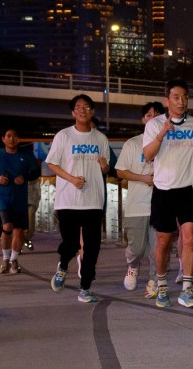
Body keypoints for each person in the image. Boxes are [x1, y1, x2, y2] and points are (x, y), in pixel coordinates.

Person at [143, 78, 193, 309]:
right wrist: (161, 134)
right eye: (176, 97)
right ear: (167, 100)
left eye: (185, 97)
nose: (181, 102)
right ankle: (162, 285)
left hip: (188, 189)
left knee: (190, 237)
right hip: (163, 190)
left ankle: (187, 289)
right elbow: (148, 155)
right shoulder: (154, 125)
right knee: (163, 240)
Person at [47, 94, 111, 303]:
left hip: (93, 200)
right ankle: (63, 265)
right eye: (78, 107)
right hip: (68, 200)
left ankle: (85, 287)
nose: (82, 110)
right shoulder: (63, 136)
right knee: (72, 243)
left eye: (86, 107)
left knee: (92, 247)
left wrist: (103, 166)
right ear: (73, 113)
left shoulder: (100, 139)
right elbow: (52, 164)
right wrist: (72, 179)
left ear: (92, 111)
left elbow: (106, 168)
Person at [115, 101, 167, 294]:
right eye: (148, 115)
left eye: (157, 115)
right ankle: (133, 265)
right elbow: (120, 171)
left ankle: (154, 282)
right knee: (136, 248)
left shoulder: (170, 143)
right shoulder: (133, 143)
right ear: (143, 120)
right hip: (137, 205)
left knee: (157, 250)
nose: (152, 119)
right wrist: (143, 178)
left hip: (160, 205)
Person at [0, 126, 41, 274]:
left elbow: (36, 172)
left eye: (14, 136)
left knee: (19, 232)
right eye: (8, 136)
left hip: (20, 199)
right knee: (7, 227)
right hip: (3, 198)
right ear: (3, 139)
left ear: (18, 139)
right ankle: (5, 259)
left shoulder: (26, 154)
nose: (11, 138)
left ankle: (14, 260)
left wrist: (24, 178)